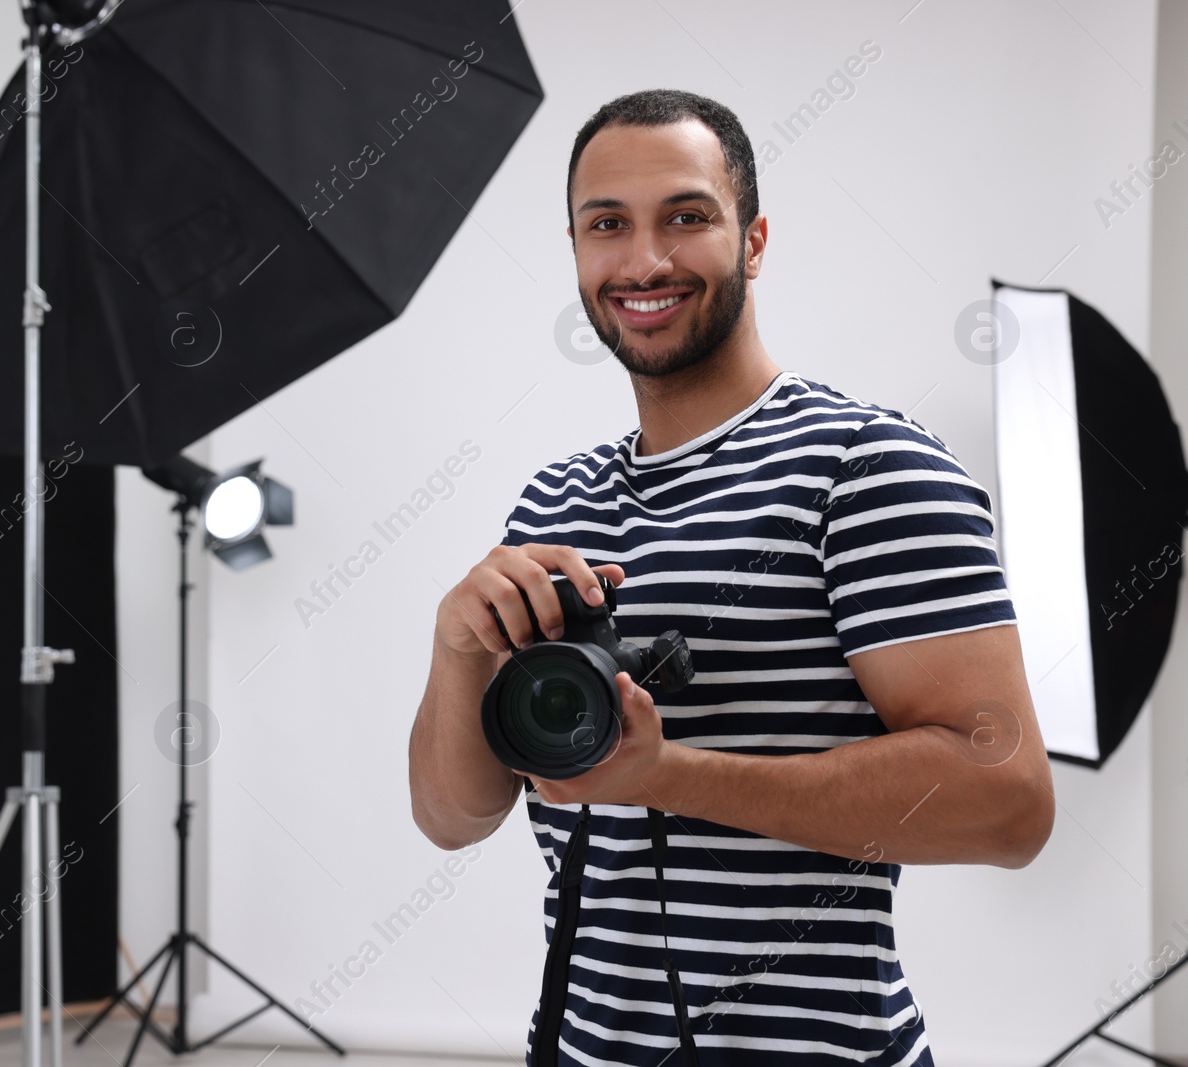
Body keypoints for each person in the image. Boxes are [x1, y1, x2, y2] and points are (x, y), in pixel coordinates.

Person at [406, 89, 1055, 1065]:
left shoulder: (866, 467)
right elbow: (452, 818)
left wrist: (667, 774)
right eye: (606, 225)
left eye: (686, 216)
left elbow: (1006, 802)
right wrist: (456, 649)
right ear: (577, 252)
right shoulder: (551, 503)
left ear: (752, 241)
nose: (644, 260)